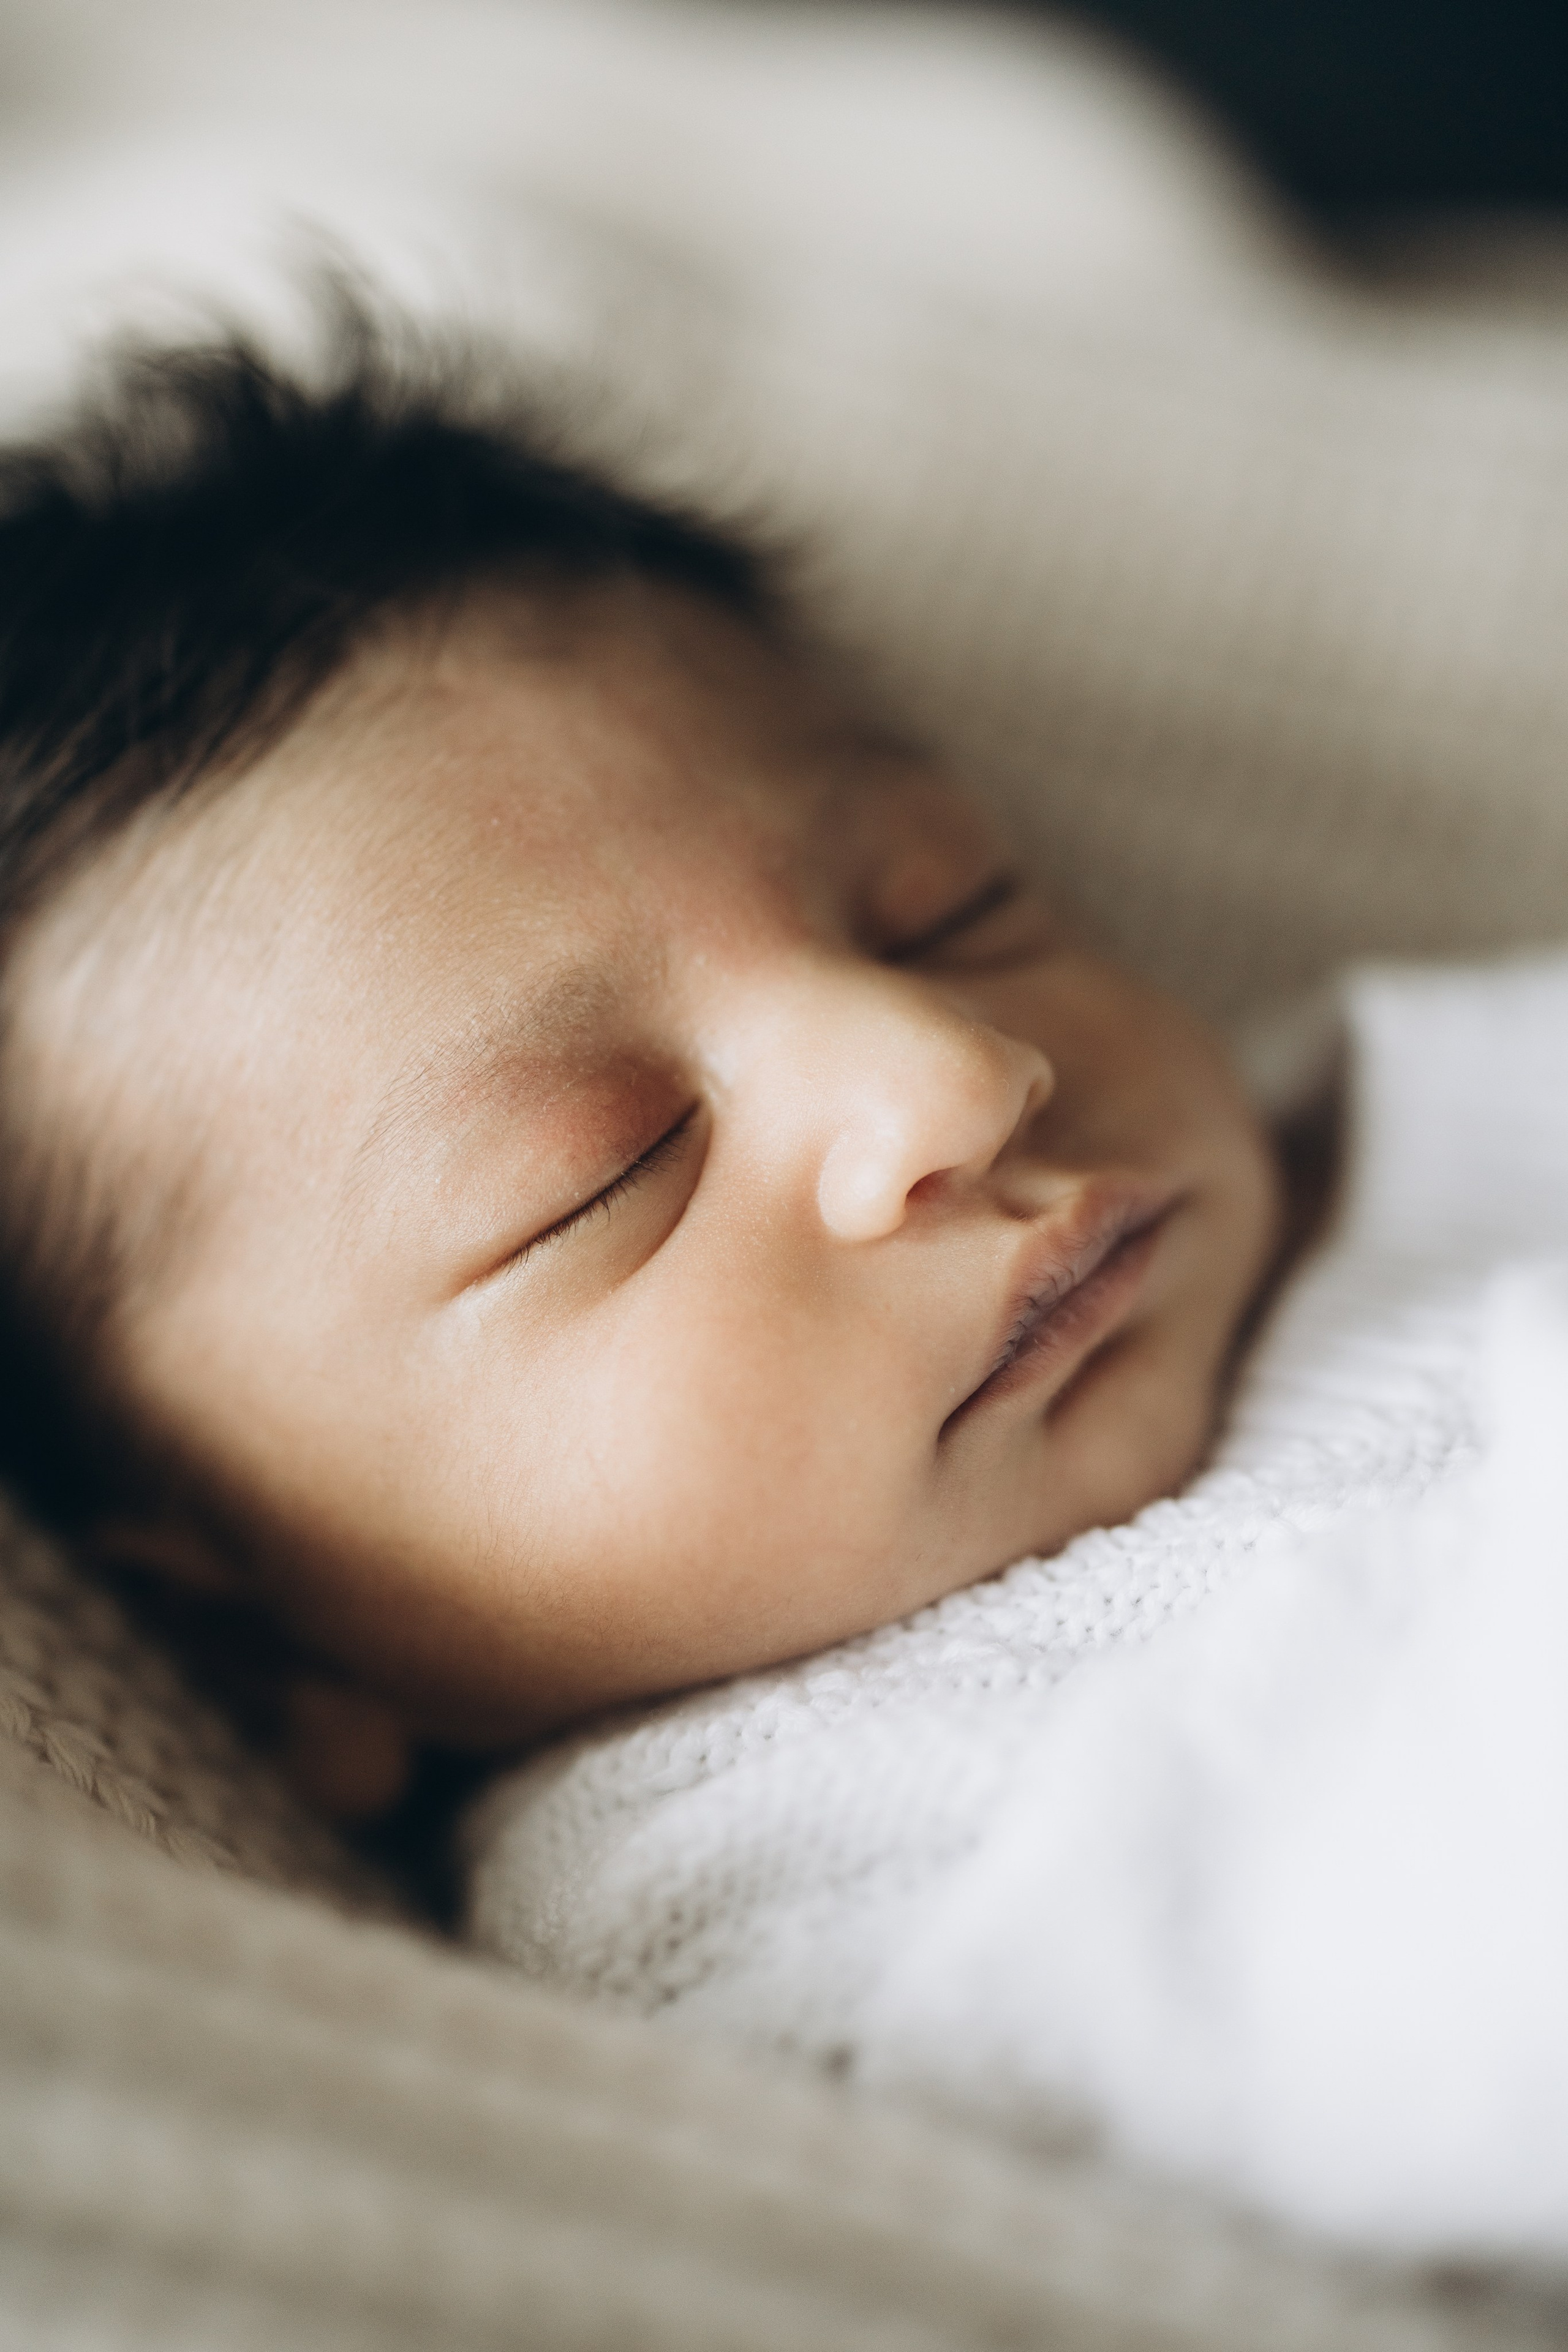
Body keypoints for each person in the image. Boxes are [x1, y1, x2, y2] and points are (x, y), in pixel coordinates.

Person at [0, 314, 1279, 1807]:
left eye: (952, 909)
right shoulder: (841, 1909)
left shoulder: (1414, 1105)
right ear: (240, 1643)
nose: (955, 1074)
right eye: (613, 1173)